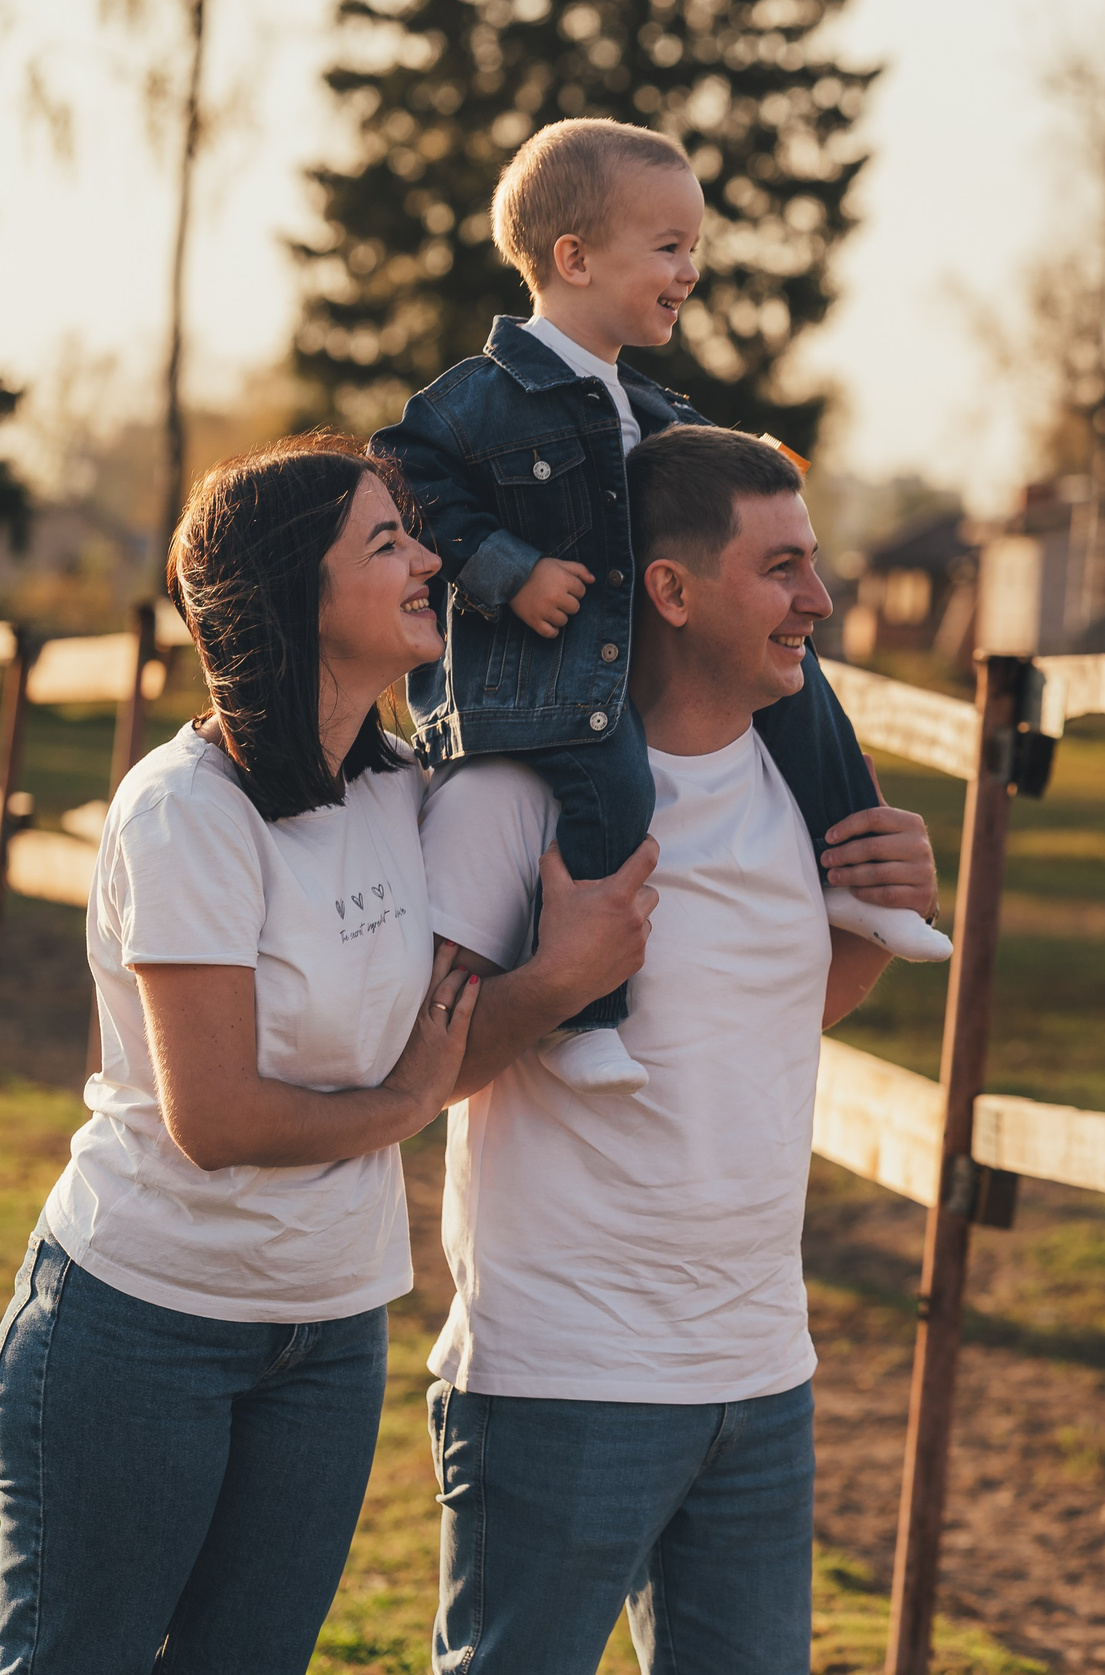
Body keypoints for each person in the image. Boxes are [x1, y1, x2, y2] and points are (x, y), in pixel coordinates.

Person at [0, 436, 654, 1670]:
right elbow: (221, 1119)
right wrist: (408, 1098)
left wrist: (561, 979)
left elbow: (445, 1046)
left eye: (415, 535)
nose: (428, 561)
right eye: (387, 543)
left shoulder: (402, 793)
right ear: (300, 595)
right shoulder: (185, 810)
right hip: (142, 1326)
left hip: (332, 1328)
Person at [418, 424, 938, 1671]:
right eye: (781, 568)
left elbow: (771, 1015)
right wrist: (560, 981)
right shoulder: (516, 799)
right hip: (560, 1376)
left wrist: (887, 899)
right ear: (671, 589)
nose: (819, 598)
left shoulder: (798, 787)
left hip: (761, 1373)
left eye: (814, 562)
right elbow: (414, 1069)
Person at [375, 115, 946, 1101]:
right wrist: (509, 567)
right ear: (575, 257)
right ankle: (591, 1013)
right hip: (550, 688)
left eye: (696, 251)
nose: (689, 272)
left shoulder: (661, 414)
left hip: (630, 677)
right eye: (671, 249)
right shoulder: (481, 398)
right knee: (618, 800)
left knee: (806, 693)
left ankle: (859, 879)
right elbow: (405, 480)